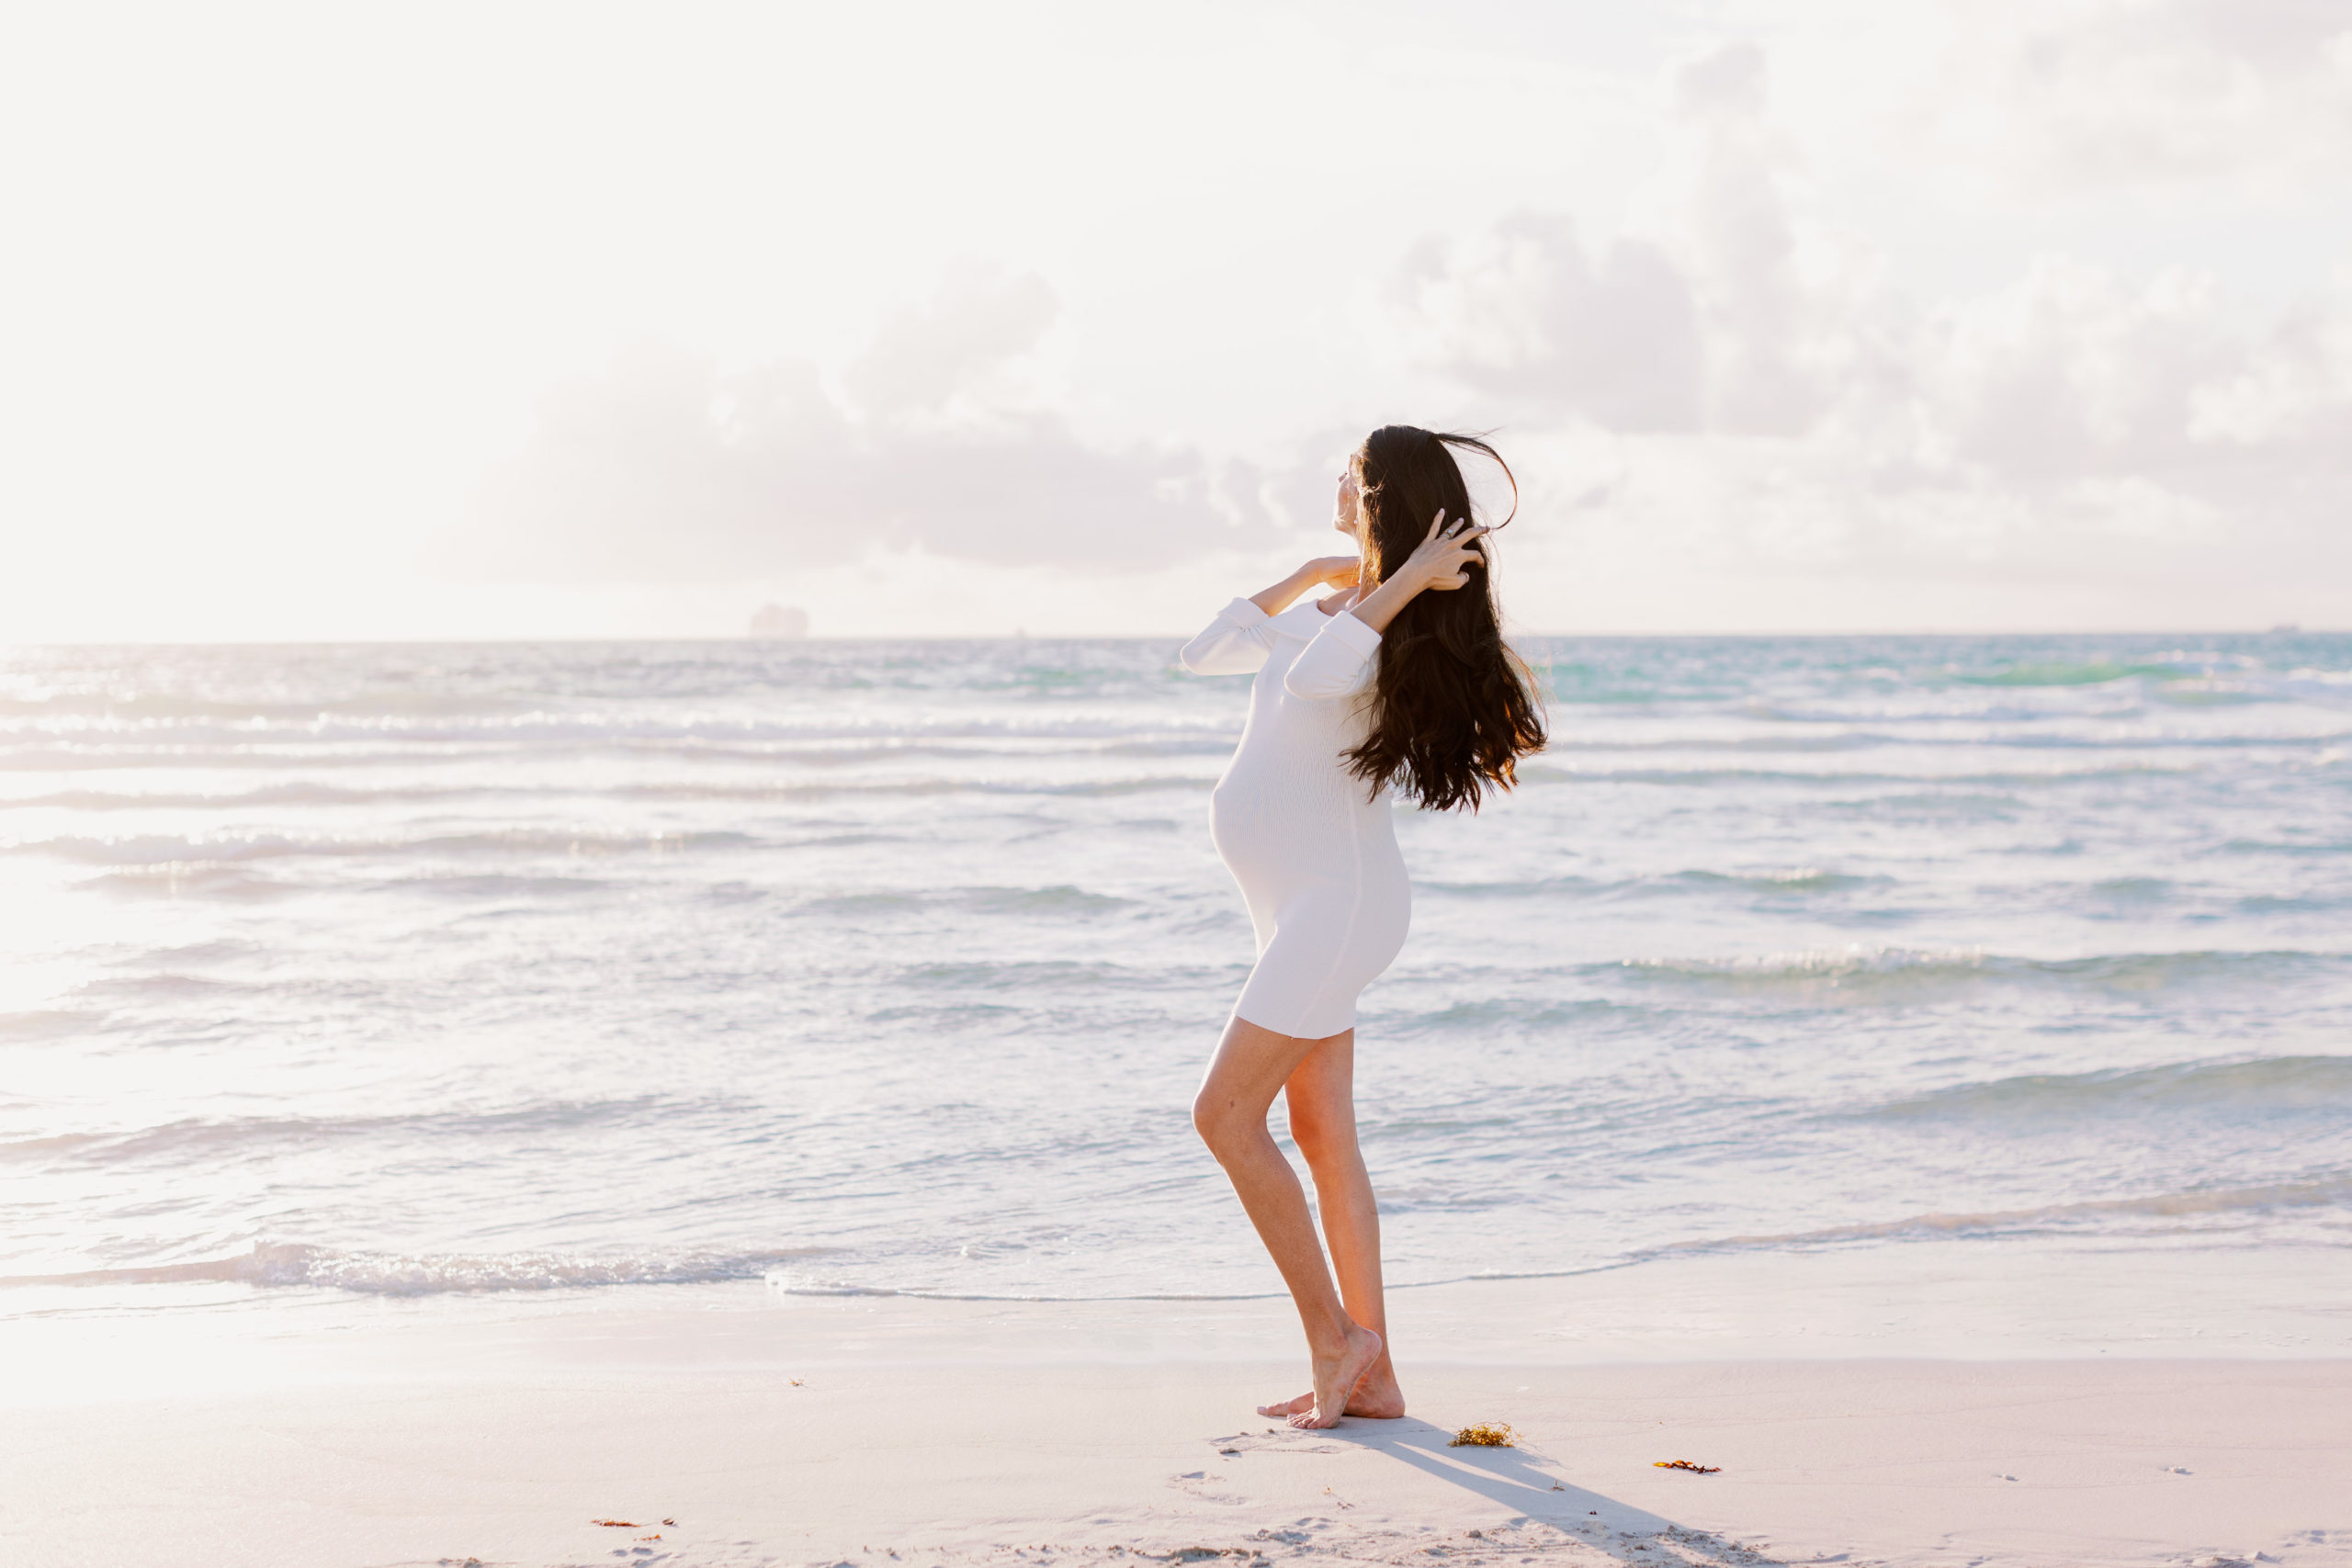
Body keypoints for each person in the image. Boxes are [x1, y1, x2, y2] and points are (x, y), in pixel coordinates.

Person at [1179, 425, 1547, 1429]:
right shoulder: (1338, 608)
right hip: (1296, 907)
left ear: (1380, 494)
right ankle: (1374, 1378)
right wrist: (1311, 573)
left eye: (1348, 474)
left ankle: (1338, 1344)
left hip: (1335, 910)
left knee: (1222, 1119)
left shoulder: (1389, 629)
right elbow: (1202, 653)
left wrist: (1399, 585)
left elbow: (1318, 684)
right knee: (1321, 1137)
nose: (1332, 483)